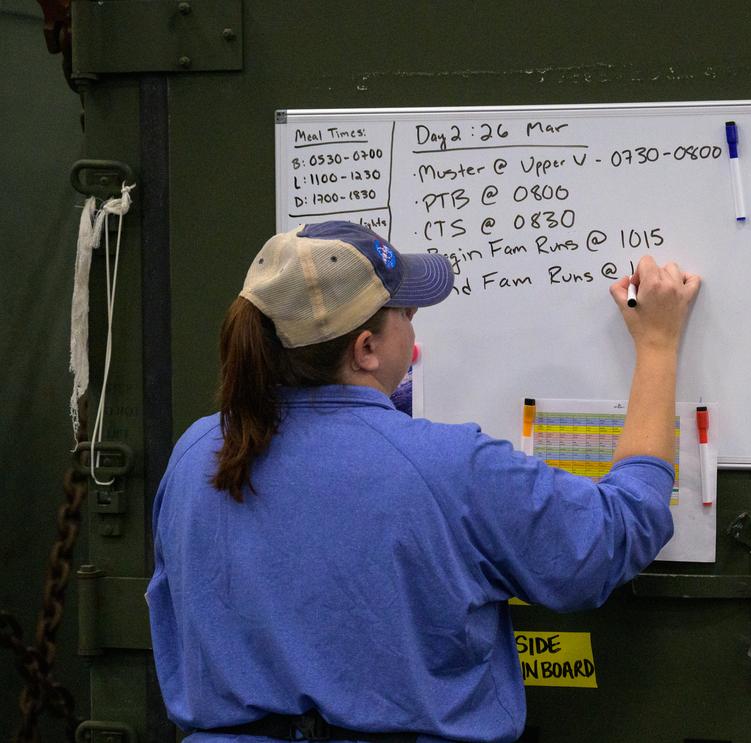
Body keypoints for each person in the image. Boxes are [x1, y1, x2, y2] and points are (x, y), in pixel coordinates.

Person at [145, 221, 701, 743]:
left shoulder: (198, 455)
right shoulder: (447, 465)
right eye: (407, 312)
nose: (414, 328)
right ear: (366, 349)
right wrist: (657, 347)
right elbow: (615, 533)